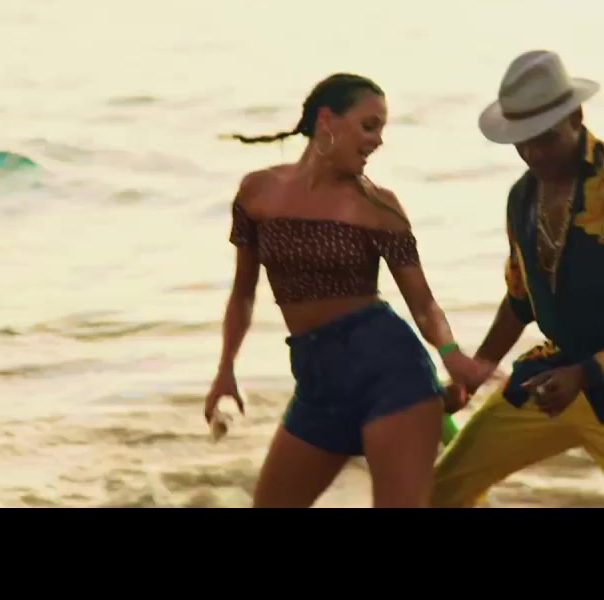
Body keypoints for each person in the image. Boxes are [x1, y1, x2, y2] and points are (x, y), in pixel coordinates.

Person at [205, 72, 479, 508]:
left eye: (381, 130)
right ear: (326, 120)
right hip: (317, 381)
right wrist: (225, 369)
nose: (378, 141)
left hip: (392, 376)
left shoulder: (379, 208)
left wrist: (451, 354)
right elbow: (243, 293)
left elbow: (424, 304)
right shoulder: (257, 193)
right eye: (369, 126)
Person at [434, 50, 604, 508]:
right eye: (521, 142)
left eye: (545, 139)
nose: (533, 154)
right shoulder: (523, 197)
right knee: (437, 493)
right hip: (554, 376)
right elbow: (520, 299)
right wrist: (477, 370)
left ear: (576, 117)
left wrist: (585, 374)